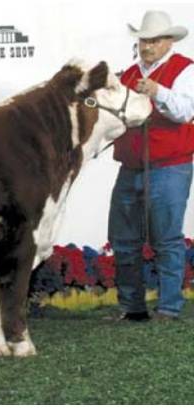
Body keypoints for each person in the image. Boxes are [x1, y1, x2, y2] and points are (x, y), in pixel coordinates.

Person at [110, 10, 194, 321]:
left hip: (170, 166)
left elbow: (185, 111)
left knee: (166, 238)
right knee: (123, 239)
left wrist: (158, 92)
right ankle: (131, 307)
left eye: (155, 40)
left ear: (169, 41)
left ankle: (168, 307)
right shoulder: (128, 75)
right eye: (144, 40)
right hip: (131, 165)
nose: (147, 46)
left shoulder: (185, 69)